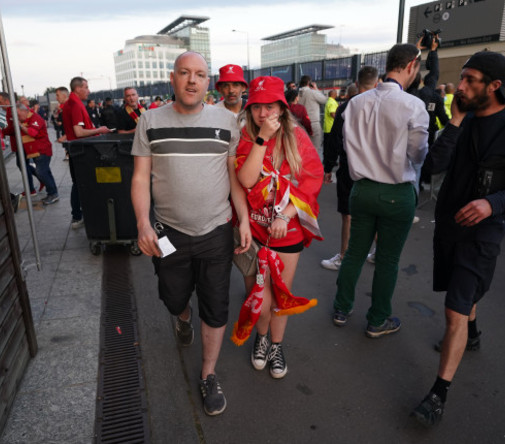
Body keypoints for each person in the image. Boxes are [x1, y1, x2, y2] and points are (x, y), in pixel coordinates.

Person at [411, 51, 505, 427]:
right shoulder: (463, 120)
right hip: (449, 225)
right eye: (462, 78)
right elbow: (433, 166)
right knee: (461, 291)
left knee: (454, 307)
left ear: (494, 85)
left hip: (485, 230)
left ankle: (438, 393)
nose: (460, 86)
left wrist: (494, 205)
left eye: (471, 80)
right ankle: (472, 334)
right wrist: (455, 123)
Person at [130, 51, 251, 416]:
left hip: (216, 231)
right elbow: (140, 177)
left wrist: (242, 218)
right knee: (173, 298)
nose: (192, 80)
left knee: (215, 305)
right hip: (169, 233)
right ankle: (182, 318)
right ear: (173, 78)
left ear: (207, 82)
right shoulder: (149, 120)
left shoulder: (226, 122)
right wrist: (142, 223)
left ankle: (208, 373)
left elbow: (233, 176)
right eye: (185, 73)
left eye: (199, 74)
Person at [331, 44, 428, 336]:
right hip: (396, 192)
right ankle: (377, 319)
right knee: (387, 259)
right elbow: (418, 153)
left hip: (361, 189)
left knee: (353, 253)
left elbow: (348, 147)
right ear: (411, 64)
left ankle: (341, 307)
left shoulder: (355, 103)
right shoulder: (413, 105)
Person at [235, 75, 323, 379]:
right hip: (256, 232)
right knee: (262, 296)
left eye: (270, 106)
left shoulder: (297, 138)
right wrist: (261, 139)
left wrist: (284, 215)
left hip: (288, 231)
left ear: (282, 108)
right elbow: (246, 181)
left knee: (281, 294)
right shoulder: (247, 137)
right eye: (257, 107)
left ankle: (275, 345)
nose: (263, 113)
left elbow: (312, 179)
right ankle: (260, 338)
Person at [320, 66, 378, 271]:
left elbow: (334, 141)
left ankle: (344, 255)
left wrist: (328, 167)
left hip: (350, 167)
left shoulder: (347, 108)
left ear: (357, 83)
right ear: (376, 83)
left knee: (348, 213)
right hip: (377, 169)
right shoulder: (383, 106)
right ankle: (378, 252)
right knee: (374, 213)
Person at [62, 76, 111, 228]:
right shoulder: (75, 105)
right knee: (79, 184)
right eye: (86, 87)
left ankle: (78, 215)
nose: (89, 91)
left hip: (78, 150)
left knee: (78, 183)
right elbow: (78, 132)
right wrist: (99, 130)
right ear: (78, 89)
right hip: (81, 151)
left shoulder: (73, 103)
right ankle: (78, 216)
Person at [0, 92, 43, 196]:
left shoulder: (13, 109)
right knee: (22, 164)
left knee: (22, 165)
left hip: (23, 142)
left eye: (0, 102)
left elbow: (15, 128)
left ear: (7, 101)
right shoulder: (12, 109)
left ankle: (31, 188)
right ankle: (38, 181)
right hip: (21, 142)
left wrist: (2, 131)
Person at [15, 103, 59, 205]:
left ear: (24, 111)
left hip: (42, 150)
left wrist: (20, 125)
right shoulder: (26, 118)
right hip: (36, 151)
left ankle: (53, 193)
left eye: (18, 114)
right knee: (45, 172)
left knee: (41, 172)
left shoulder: (35, 118)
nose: (17, 117)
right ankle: (52, 193)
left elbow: (32, 132)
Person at [298, 75, 327, 156]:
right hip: (313, 123)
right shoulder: (312, 92)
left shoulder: (297, 93)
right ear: (309, 83)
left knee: (302, 149)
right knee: (315, 148)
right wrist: (316, 89)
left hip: (300, 124)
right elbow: (324, 100)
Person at [322, 90, 338, 155]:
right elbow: (332, 113)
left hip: (327, 127)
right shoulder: (332, 102)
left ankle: (326, 158)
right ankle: (330, 160)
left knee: (326, 144)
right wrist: (338, 119)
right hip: (331, 127)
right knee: (332, 145)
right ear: (334, 94)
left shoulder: (328, 101)